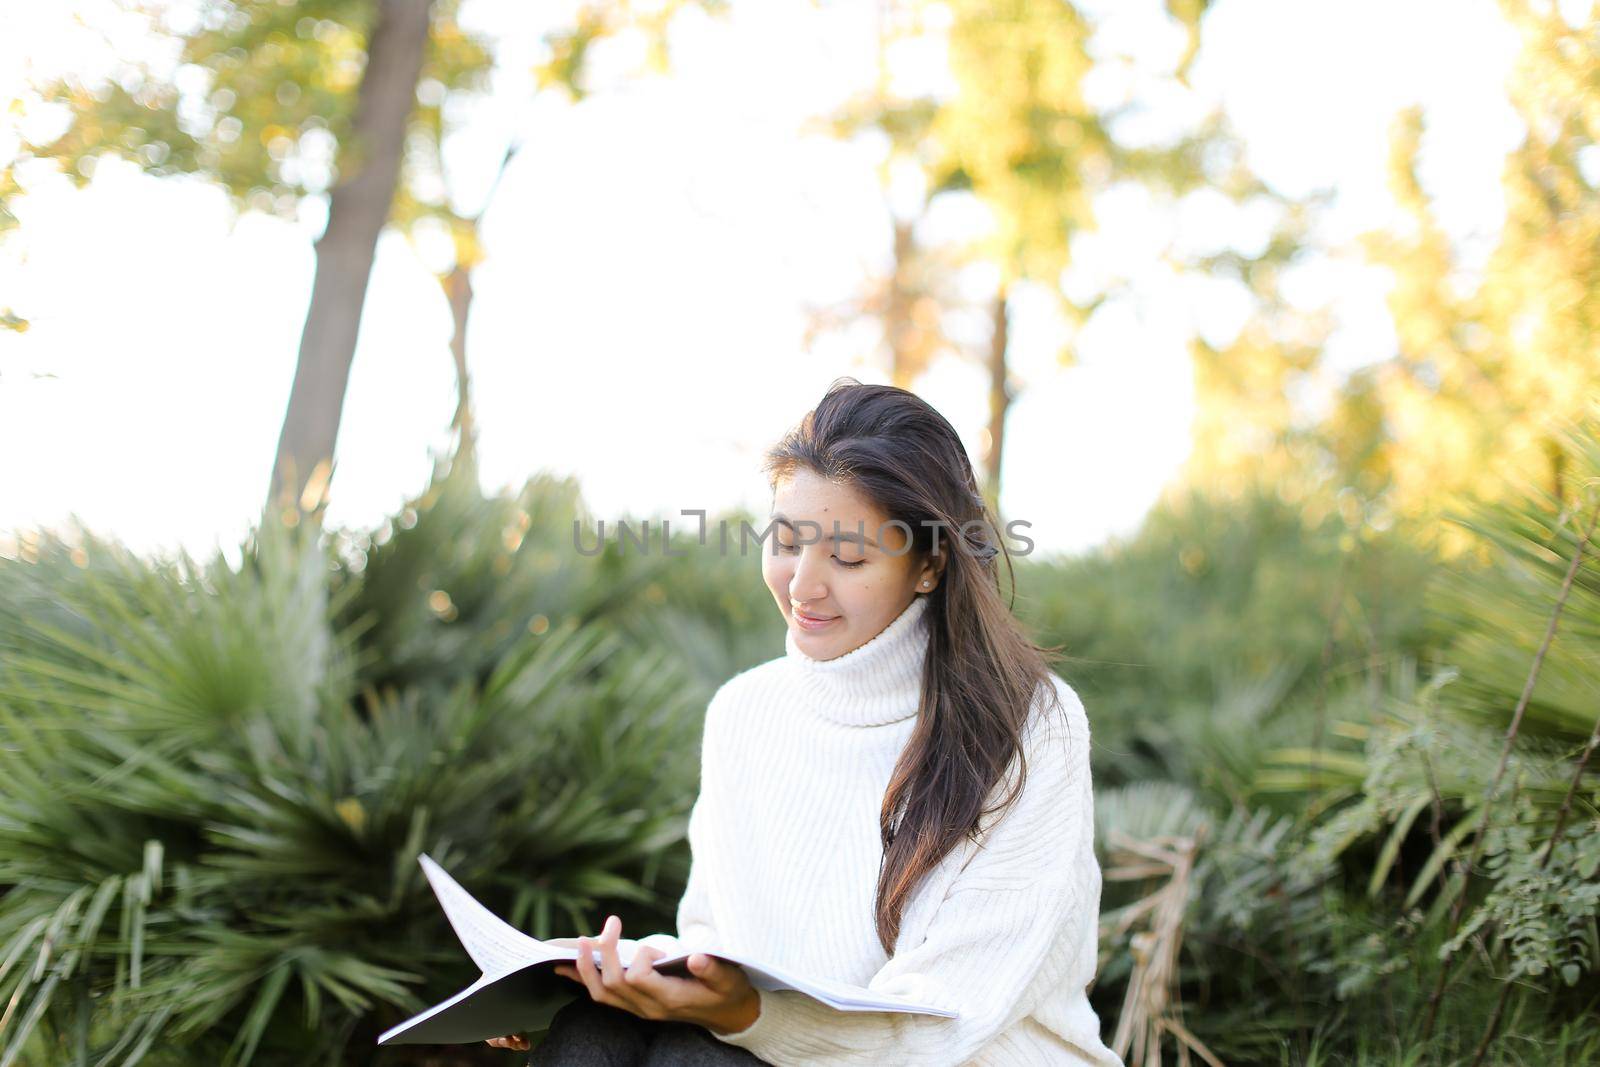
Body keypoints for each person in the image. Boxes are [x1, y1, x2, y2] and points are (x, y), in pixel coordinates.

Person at [490, 379, 1123, 1065]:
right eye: (786, 542)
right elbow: (718, 940)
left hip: (965, 1056)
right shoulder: (743, 710)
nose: (803, 585)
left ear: (930, 564)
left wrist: (748, 1013)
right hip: (786, 1050)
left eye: (848, 557)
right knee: (590, 1033)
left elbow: (948, 1018)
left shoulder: (1029, 722)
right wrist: (615, 979)